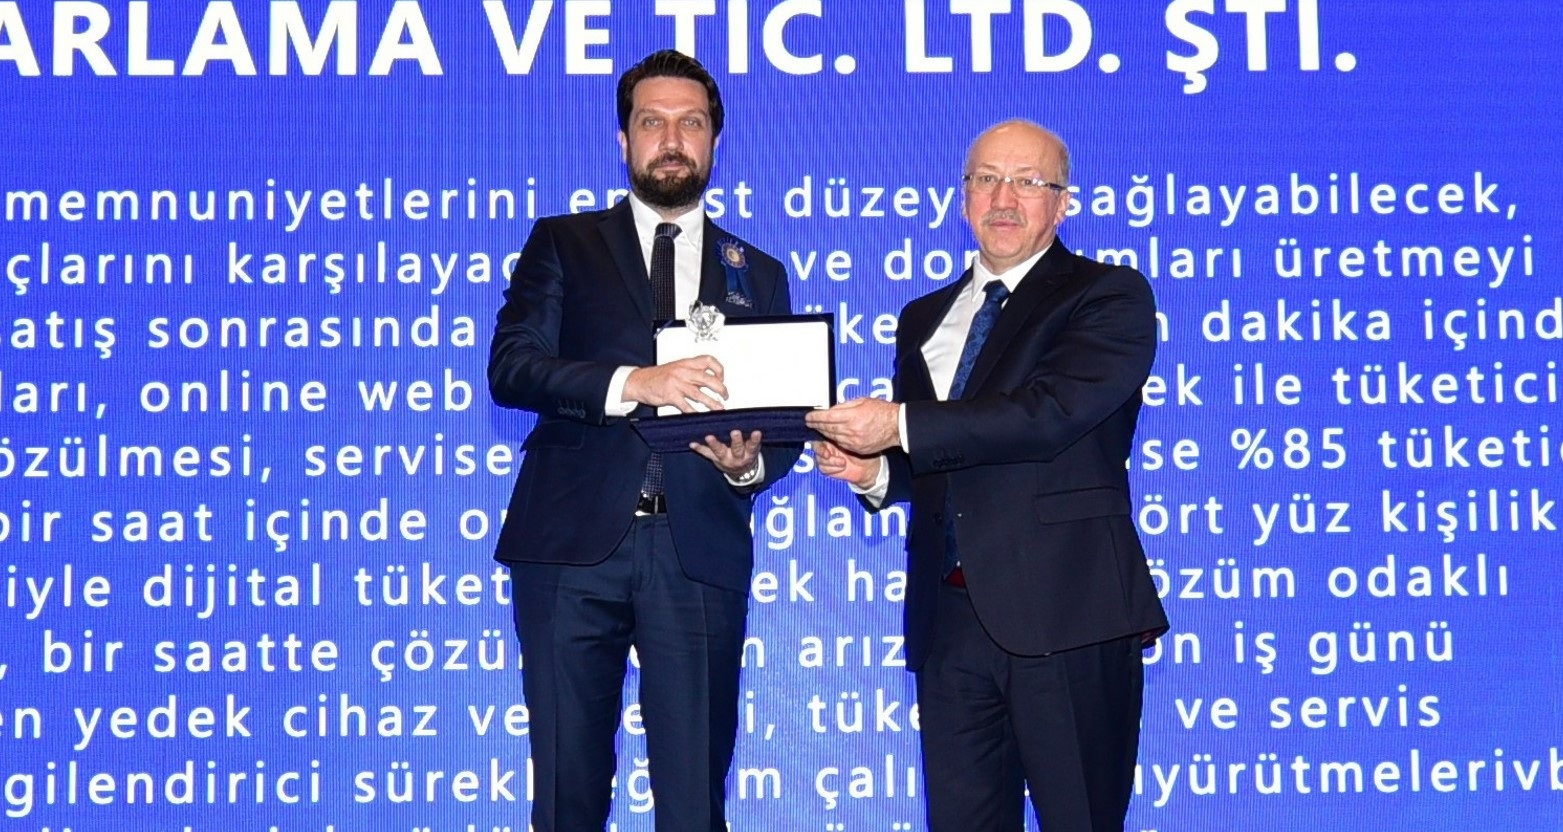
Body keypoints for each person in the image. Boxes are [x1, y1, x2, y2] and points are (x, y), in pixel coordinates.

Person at [806, 120, 1168, 831]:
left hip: (1068, 610)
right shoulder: (923, 317)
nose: (1003, 198)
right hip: (949, 622)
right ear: (963, 197)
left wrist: (900, 425)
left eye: (1027, 182)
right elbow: (941, 461)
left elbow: (1049, 414)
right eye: (985, 180)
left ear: (1062, 203)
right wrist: (876, 471)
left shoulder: (1107, 295)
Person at [487, 50, 798, 832]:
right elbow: (513, 367)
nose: (671, 139)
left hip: (697, 550)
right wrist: (636, 382)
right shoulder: (564, 242)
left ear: (714, 142)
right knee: (567, 791)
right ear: (623, 140)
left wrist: (749, 464)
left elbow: (785, 416)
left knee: (694, 798)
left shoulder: (756, 273)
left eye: (690, 123)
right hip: (570, 544)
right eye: (651, 121)